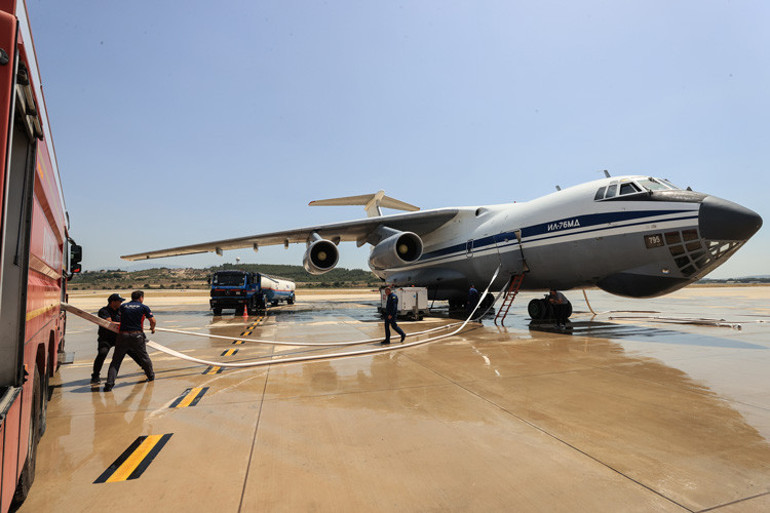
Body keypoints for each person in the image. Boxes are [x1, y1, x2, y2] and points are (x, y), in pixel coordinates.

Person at [104, 290, 156, 392]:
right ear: (141, 298)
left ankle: (109, 384)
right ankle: (150, 376)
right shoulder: (143, 307)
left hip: (122, 335)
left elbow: (120, 318)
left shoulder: (123, 306)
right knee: (144, 357)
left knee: (116, 361)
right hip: (137, 335)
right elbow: (152, 320)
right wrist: (152, 328)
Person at [91, 293, 124, 384]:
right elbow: (109, 323)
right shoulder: (104, 311)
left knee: (133, 351)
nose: (121, 303)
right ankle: (95, 376)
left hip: (119, 337)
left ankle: (145, 369)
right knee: (102, 354)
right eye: (119, 301)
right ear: (113, 302)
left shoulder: (121, 310)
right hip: (106, 339)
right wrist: (123, 324)